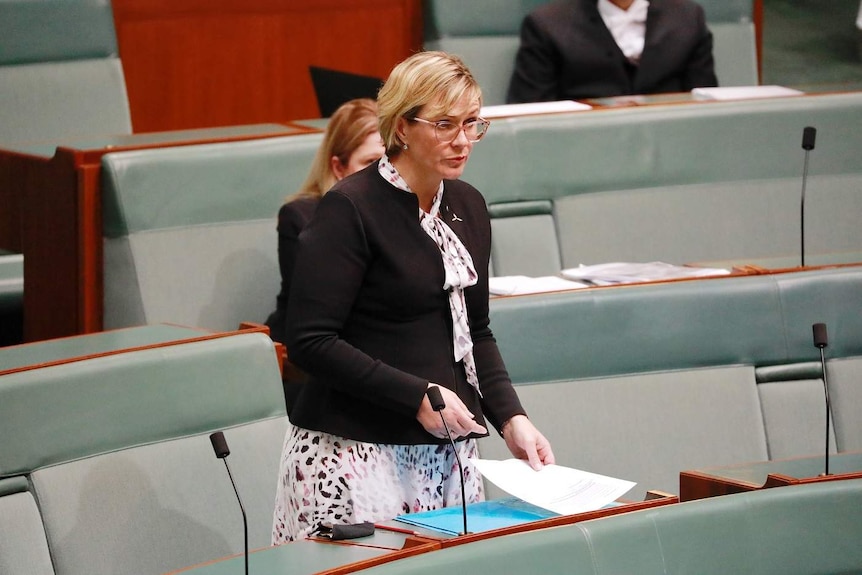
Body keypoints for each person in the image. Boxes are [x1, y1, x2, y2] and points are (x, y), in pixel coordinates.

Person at [272, 51, 555, 544]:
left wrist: (512, 417)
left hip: (442, 451)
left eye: (472, 123)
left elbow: (476, 331)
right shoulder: (350, 208)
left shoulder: (468, 204)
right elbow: (310, 341)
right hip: (354, 451)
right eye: (445, 124)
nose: (463, 140)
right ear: (401, 127)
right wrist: (416, 395)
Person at [265, 98, 384, 349]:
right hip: (314, 362)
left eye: (389, 161)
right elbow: (333, 311)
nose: (383, 174)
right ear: (338, 167)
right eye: (370, 162)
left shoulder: (409, 212)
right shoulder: (299, 218)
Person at [507, 0, 718, 103]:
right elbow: (530, 113)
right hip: (582, 154)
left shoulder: (689, 18)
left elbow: (706, 102)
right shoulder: (547, 24)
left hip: (675, 151)